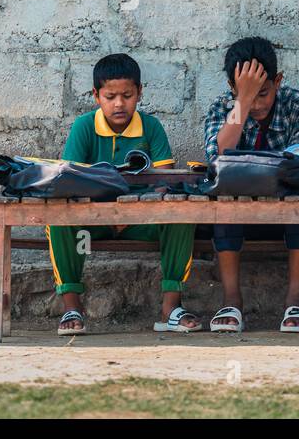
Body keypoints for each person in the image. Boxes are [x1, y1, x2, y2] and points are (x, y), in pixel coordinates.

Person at [48, 53, 201, 335]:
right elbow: (71, 179)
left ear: (139, 92)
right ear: (96, 95)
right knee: (59, 220)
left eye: (127, 95)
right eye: (110, 96)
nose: (119, 103)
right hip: (93, 227)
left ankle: (171, 308)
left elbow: (164, 180)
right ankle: (72, 306)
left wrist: (137, 209)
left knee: (181, 215)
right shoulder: (84, 126)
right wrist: (104, 209)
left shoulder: (150, 127)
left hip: (141, 224)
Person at [203, 36, 299, 334]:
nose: (256, 104)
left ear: (278, 81)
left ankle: (295, 301)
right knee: (224, 199)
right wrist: (241, 102)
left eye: (262, 93)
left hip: (286, 208)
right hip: (239, 213)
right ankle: (232, 301)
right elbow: (220, 158)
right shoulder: (222, 107)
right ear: (232, 87)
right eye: (246, 95)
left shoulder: (295, 103)